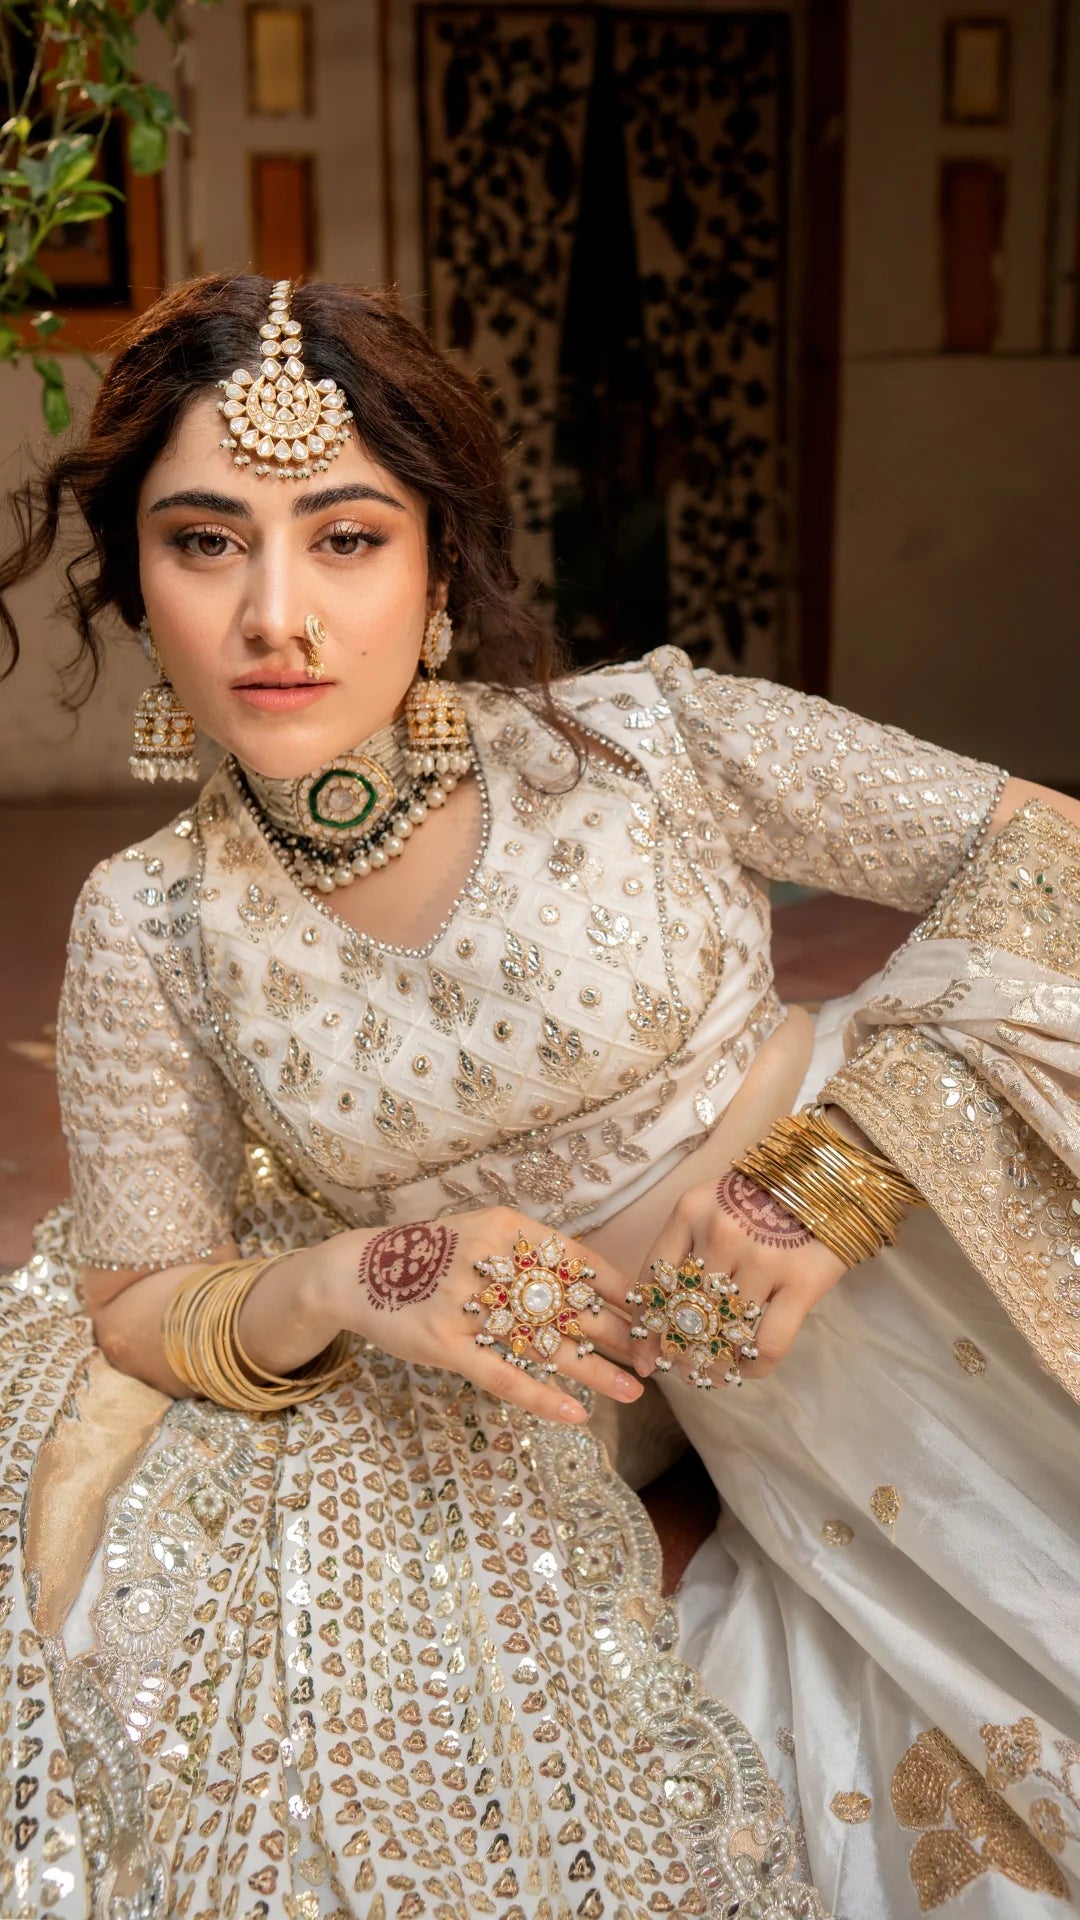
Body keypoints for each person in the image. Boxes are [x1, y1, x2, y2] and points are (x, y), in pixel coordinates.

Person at [0, 274, 1076, 1920]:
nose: (275, 615)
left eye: (346, 537)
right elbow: (140, 1297)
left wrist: (849, 1162)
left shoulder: (643, 742)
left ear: (439, 564)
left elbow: (1036, 850)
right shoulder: (151, 925)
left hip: (921, 1233)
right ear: (139, 581)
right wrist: (363, 1277)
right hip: (633, 1408)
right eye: (206, 541)